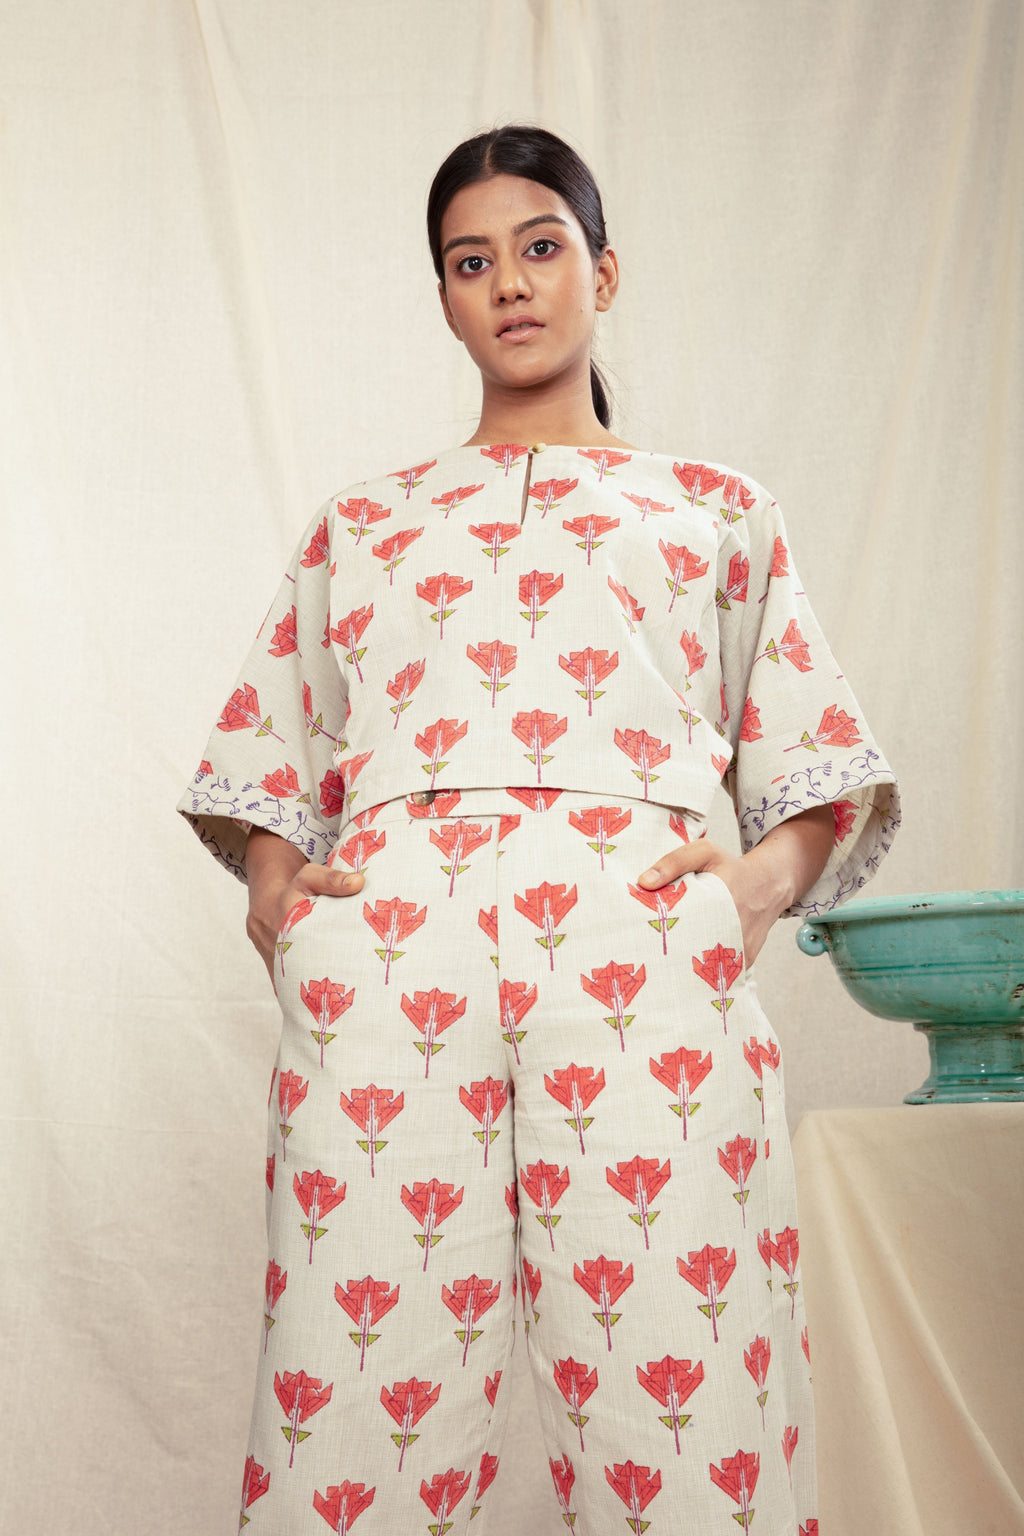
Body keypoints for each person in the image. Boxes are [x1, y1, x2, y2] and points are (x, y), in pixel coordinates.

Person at [179, 125, 898, 1535]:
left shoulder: (713, 508)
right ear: (446, 299)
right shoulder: (364, 524)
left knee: (677, 1389)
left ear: (602, 273)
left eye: (541, 246)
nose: (508, 283)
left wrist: (752, 890)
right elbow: (271, 745)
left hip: (642, 945)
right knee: (354, 1393)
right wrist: (282, 892)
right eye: (471, 262)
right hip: (392, 961)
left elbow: (818, 755)